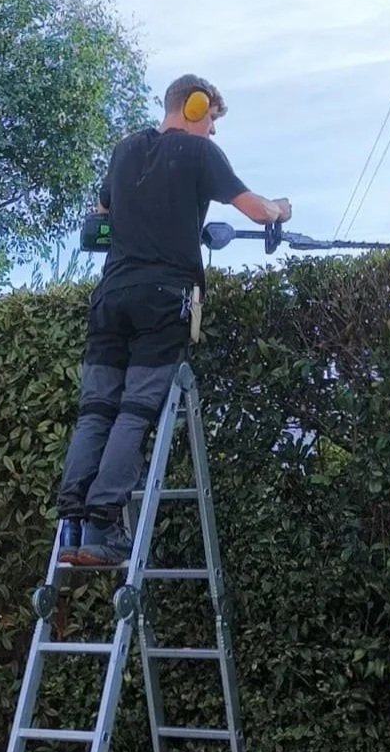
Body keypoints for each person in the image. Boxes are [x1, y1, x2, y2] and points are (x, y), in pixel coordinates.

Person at [55, 74, 292, 565]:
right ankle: (103, 528)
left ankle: (72, 527)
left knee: (96, 409)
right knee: (136, 410)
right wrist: (281, 210)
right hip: (163, 301)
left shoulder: (124, 151)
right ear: (194, 107)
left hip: (110, 298)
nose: (212, 132)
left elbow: (100, 214)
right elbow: (254, 209)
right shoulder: (199, 154)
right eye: (211, 121)